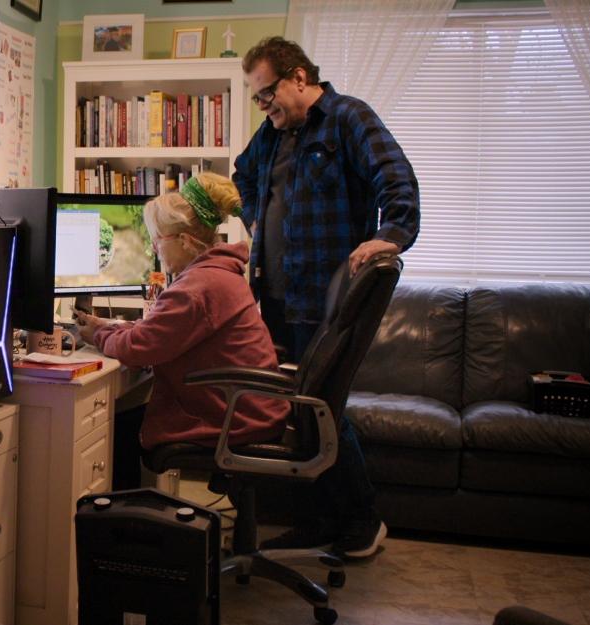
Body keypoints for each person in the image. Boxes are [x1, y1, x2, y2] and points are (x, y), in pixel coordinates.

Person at [233, 36, 421, 559]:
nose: (264, 106)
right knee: (297, 413)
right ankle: (318, 521)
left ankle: (363, 521)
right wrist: (253, 216)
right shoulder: (271, 136)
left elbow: (396, 178)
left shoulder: (347, 118)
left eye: (268, 93)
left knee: (322, 409)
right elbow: (243, 173)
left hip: (325, 301)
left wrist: (393, 233)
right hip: (275, 298)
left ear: (298, 77)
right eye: (257, 99)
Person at [74, 172, 288, 484]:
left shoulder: (198, 287)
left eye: (158, 239)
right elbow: (161, 330)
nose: (154, 248)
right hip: (248, 408)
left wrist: (98, 335)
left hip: (236, 419)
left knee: (118, 426)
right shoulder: (218, 274)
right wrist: (110, 326)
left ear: (186, 241)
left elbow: (138, 348)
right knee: (127, 416)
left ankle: (125, 523)